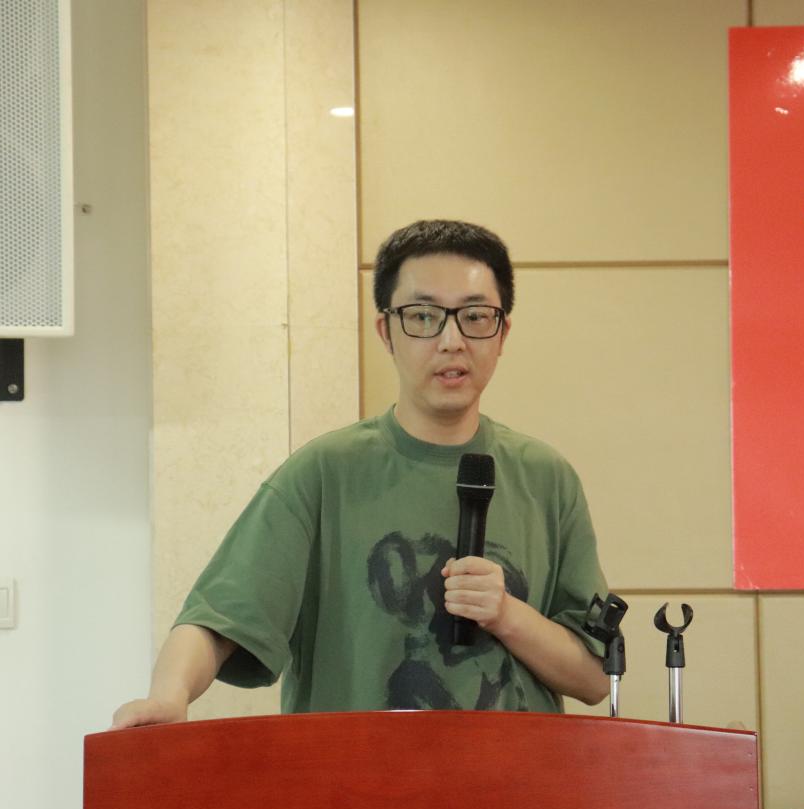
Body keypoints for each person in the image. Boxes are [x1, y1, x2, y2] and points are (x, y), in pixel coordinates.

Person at [111, 219, 610, 728]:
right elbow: (217, 620)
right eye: (423, 316)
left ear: (502, 333)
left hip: (514, 777)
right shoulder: (324, 473)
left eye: (475, 317)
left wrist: (506, 614)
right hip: (353, 775)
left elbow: (595, 677)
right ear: (386, 331)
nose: (452, 340)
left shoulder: (547, 479)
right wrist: (169, 696)